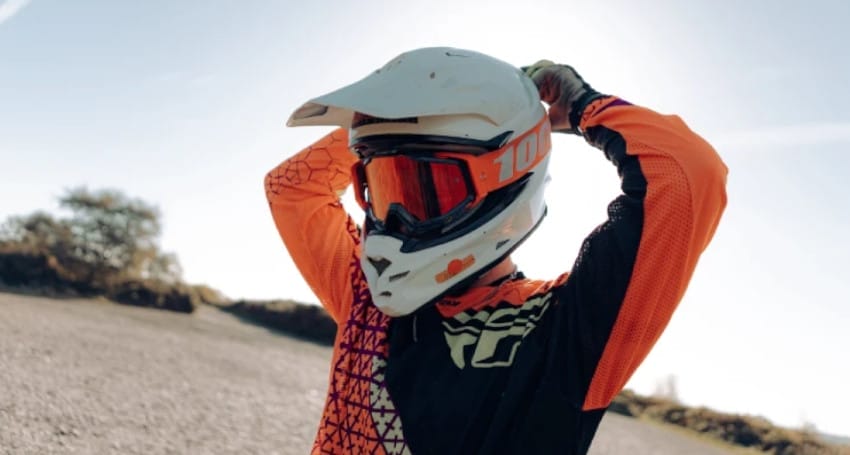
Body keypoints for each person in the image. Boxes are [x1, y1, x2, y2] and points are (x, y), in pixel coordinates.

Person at [266, 47, 727, 455]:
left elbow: (690, 174)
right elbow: (292, 188)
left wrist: (586, 106)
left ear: (505, 180)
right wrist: (387, 120)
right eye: (382, 189)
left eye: (428, 189)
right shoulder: (367, 298)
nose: (396, 220)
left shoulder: (565, 333)